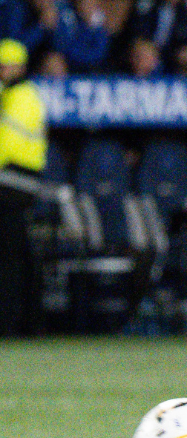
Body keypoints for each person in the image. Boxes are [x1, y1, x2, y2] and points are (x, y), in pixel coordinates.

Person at [0, 38, 44, 337]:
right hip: (16, 185)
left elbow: (5, 144)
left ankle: (11, 321)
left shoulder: (21, 97)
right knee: (18, 254)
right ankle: (26, 321)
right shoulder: (16, 94)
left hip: (13, 185)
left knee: (9, 257)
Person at [52, 0, 108, 73]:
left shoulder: (101, 21)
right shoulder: (67, 16)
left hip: (94, 67)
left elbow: (101, 51)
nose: (87, 7)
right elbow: (63, 47)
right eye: (85, 3)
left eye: (91, 3)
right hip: (69, 65)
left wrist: (90, 27)